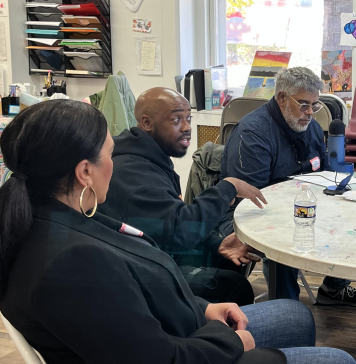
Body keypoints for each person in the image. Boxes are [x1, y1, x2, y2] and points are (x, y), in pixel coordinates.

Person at [0, 100, 356, 364]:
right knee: (341, 360)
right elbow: (158, 358)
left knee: (295, 315)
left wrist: (202, 309)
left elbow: (141, 292)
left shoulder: (63, 217)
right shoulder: (73, 264)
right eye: (110, 153)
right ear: (84, 173)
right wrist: (229, 343)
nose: (115, 162)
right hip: (184, 347)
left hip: (183, 324)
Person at [221, 66, 356, 307]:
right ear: (282, 98)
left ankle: (334, 288)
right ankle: (286, 308)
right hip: (251, 212)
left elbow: (322, 173)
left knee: (344, 210)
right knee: (283, 232)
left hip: (298, 201)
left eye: (315, 105)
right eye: (304, 105)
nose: (311, 112)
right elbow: (251, 200)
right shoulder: (253, 134)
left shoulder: (309, 125)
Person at [100, 88, 266, 305]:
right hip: (134, 276)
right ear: (147, 122)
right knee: (234, 288)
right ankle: (211, 337)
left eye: (188, 118)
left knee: (229, 261)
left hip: (151, 255)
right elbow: (179, 231)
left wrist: (217, 244)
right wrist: (228, 187)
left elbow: (166, 225)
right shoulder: (133, 174)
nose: (187, 127)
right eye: (176, 119)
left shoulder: (151, 158)